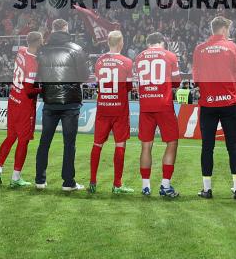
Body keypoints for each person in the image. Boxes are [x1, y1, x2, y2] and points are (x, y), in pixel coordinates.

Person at [192, 16, 236, 200]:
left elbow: (196, 78)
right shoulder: (232, 47)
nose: (228, 32)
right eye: (227, 29)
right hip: (229, 103)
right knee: (233, 146)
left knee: (207, 147)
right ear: (223, 29)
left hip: (208, 104)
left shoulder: (200, 49)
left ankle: (207, 189)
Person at [34, 19, 89, 191]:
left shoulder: (42, 50)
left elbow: (38, 76)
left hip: (50, 102)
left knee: (44, 142)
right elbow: (84, 76)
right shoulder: (76, 49)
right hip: (70, 102)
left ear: (52, 29)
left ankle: (40, 180)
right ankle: (68, 182)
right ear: (66, 28)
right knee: (69, 144)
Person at [134, 32, 181, 198]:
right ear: (162, 42)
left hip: (145, 105)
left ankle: (145, 186)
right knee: (172, 142)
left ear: (148, 43)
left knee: (146, 146)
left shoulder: (139, 57)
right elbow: (176, 82)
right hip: (164, 104)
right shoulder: (169, 55)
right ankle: (165, 185)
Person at [0, 31, 43, 187]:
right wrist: (44, 89)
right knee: (23, 141)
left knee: (10, 137)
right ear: (37, 42)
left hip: (13, 99)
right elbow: (29, 90)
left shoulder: (21, 50)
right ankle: (16, 177)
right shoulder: (33, 62)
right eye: (42, 40)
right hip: (24, 105)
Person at [89, 30, 135, 194]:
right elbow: (129, 87)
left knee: (97, 144)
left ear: (108, 43)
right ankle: (117, 184)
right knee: (120, 145)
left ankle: (92, 182)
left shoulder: (99, 61)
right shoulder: (127, 62)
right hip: (119, 110)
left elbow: (97, 85)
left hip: (103, 108)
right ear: (121, 43)